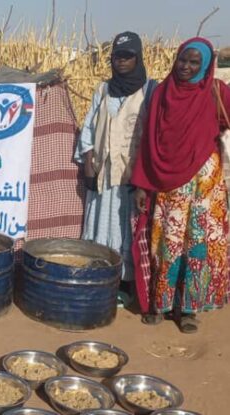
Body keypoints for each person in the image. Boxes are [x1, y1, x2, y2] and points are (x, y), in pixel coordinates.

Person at [132, 37, 230, 333]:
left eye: (194, 62)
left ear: (206, 65)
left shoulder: (216, 91)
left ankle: (188, 309)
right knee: (166, 242)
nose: (186, 67)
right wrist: (142, 184)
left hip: (204, 184)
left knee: (197, 244)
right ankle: (160, 304)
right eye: (182, 60)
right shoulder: (163, 92)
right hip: (169, 184)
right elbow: (149, 141)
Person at [74, 31, 156, 303]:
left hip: (132, 178)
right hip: (103, 175)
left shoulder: (149, 90)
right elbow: (89, 128)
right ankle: (102, 279)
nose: (121, 61)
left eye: (127, 56)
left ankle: (127, 283)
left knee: (127, 230)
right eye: (117, 56)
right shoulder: (103, 90)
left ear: (137, 58)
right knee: (100, 227)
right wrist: (88, 164)